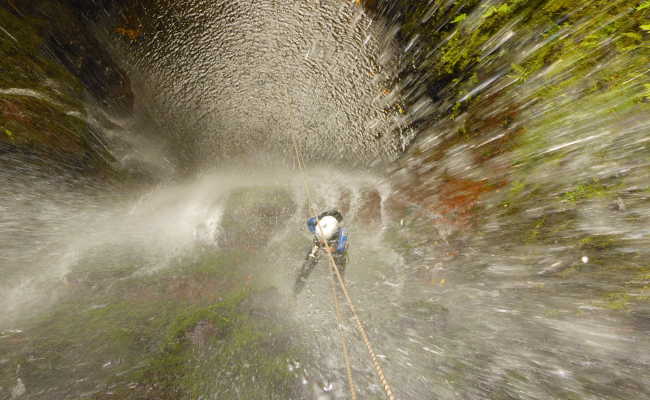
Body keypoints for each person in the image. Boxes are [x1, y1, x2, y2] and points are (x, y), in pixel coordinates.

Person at [293, 209, 349, 295]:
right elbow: (309, 222)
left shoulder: (341, 230)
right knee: (306, 268)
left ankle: (340, 293)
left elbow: (341, 247)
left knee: (338, 276)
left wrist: (332, 249)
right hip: (318, 244)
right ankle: (295, 292)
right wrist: (316, 234)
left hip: (335, 249)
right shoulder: (319, 222)